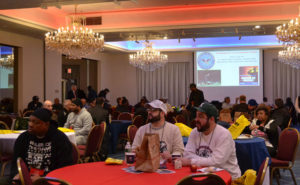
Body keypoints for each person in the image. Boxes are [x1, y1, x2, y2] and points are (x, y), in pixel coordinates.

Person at [178, 103, 241, 180]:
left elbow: (216, 162)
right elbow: (187, 155)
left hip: (228, 179)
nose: (196, 119)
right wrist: (207, 161)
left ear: (212, 119)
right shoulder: (195, 132)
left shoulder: (224, 135)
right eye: (196, 115)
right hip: (202, 176)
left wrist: (191, 161)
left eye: (201, 116)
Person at [10, 108, 73, 183]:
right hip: (26, 178)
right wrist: (16, 174)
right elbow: (15, 161)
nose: (30, 125)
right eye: (29, 121)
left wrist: (44, 178)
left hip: (50, 179)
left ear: (46, 124)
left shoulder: (59, 139)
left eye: (36, 122)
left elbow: (65, 167)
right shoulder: (23, 138)